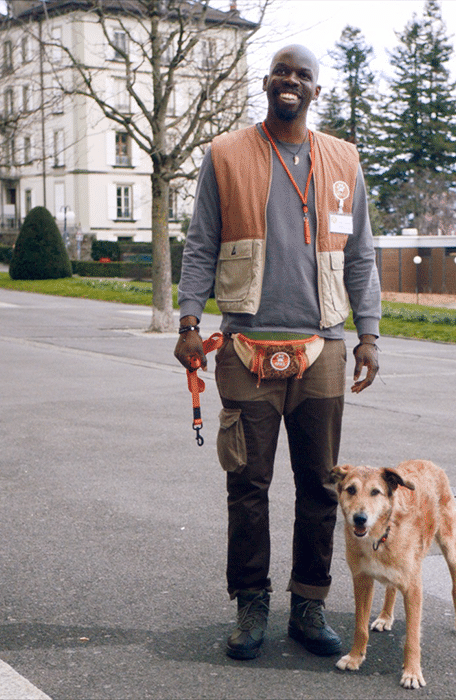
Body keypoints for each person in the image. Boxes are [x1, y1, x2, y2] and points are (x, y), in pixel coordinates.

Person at [174, 44, 382, 662]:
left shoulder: (343, 160)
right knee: (247, 485)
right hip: (244, 345)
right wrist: (190, 322)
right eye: (282, 72)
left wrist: (367, 334)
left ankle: (310, 605)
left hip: (324, 347)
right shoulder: (227, 154)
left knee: (323, 487)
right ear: (266, 83)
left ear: (316, 91)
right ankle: (251, 605)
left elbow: (362, 256)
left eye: (304, 75)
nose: (291, 81)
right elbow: (200, 245)